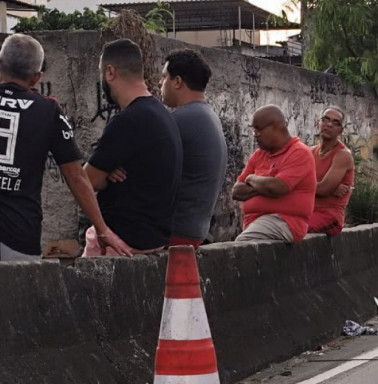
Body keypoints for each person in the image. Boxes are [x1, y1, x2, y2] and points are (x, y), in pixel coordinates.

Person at [0, 33, 130, 262]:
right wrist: (102, 229)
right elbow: (76, 176)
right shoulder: (48, 111)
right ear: (36, 77)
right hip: (19, 235)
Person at [83, 38, 183, 256]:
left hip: (118, 242)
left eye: (101, 73)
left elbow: (86, 181)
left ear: (110, 72)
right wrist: (107, 169)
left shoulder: (128, 121)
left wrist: (104, 171)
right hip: (152, 240)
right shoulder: (162, 115)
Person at [160, 49, 227, 248]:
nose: (159, 83)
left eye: (164, 77)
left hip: (174, 232)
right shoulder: (207, 116)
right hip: (193, 230)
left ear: (177, 82)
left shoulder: (180, 120)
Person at [232, 104, 315, 243]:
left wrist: (252, 178)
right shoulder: (259, 155)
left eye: (259, 130)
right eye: (253, 131)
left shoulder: (299, 153)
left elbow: (277, 187)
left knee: (243, 244)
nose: (255, 135)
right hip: (254, 222)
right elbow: (236, 192)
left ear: (277, 127)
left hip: (284, 221)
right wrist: (265, 185)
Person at [308, 106, 354, 236]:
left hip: (328, 217)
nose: (329, 124)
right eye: (325, 119)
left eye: (335, 122)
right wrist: (325, 187)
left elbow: (323, 190)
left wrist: (325, 188)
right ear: (319, 123)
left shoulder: (342, 155)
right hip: (306, 211)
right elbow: (290, 181)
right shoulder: (310, 152)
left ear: (341, 130)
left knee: (294, 230)